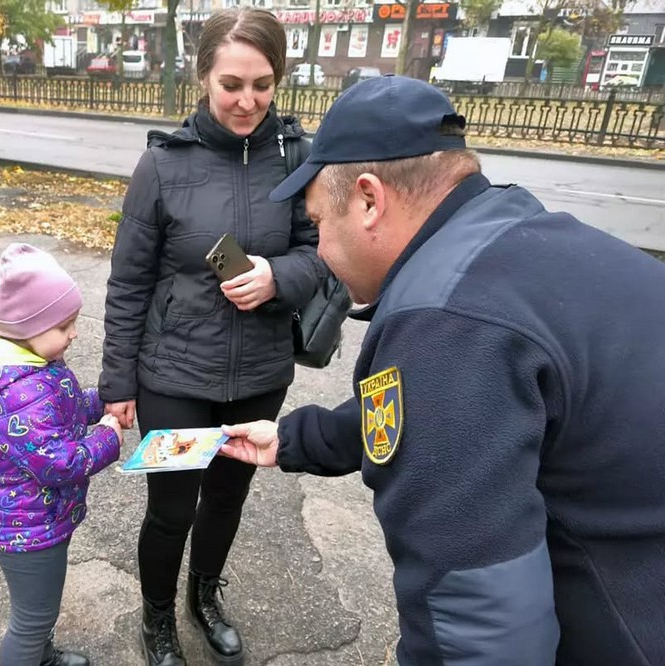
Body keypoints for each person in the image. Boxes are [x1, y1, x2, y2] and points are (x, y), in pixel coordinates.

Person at [219, 75, 665, 665]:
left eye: (321, 222)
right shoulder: (509, 237)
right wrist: (296, 439)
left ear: (369, 200)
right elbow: (433, 409)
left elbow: (477, 621)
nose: (320, 249)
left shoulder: (445, 321)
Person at [99, 8, 326, 666]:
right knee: (172, 509)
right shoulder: (162, 165)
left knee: (227, 497)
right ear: (204, 78)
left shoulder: (299, 159)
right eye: (232, 84)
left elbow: (324, 253)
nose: (248, 100)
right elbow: (129, 281)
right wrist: (117, 381)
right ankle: (157, 619)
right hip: (174, 375)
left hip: (259, 372)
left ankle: (204, 597)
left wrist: (278, 276)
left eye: (262, 84)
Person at [0, 243, 122, 666]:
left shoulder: (28, 368)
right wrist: (107, 436)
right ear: (30, 326)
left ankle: (42, 657)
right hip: (26, 528)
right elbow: (59, 463)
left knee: (40, 612)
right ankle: (33, 655)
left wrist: (103, 402)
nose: (74, 333)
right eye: (64, 326)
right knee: (31, 620)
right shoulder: (20, 390)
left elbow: (60, 411)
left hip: (36, 518)